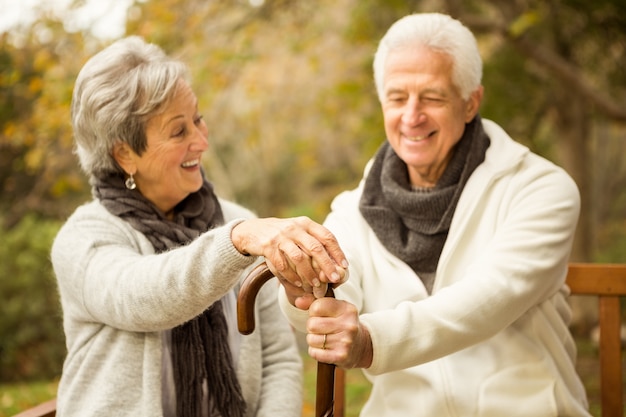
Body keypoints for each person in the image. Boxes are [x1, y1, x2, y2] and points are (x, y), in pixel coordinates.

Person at [278, 12, 591, 416]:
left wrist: (371, 341)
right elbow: (335, 297)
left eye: (432, 97)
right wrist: (305, 289)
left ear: (469, 102)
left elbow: (487, 299)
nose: (412, 116)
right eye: (397, 97)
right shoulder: (354, 211)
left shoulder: (540, 190)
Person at [51, 36, 347, 417]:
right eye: (179, 131)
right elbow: (143, 297)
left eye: (198, 119)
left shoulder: (237, 217)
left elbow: (278, 359)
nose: (202, 140)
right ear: (124, 153)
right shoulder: (83, 238)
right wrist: (235, 240)